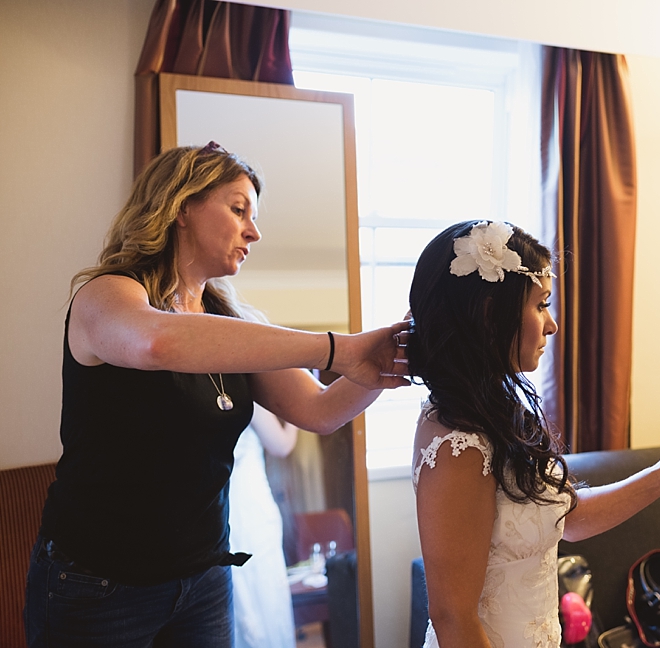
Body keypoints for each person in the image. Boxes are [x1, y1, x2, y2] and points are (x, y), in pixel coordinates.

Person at [24, 141, 409, 648]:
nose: (254, 231)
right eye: (237, 209)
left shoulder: (233, 322)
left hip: (204, 578)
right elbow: (158, 341)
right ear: (182, 207)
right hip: (98, 584)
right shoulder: (108, 295)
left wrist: (389, 362)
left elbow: (318, 410)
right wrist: (338, 349)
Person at [407, 221, 660, 648]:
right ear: (488, 313)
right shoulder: (456, 444)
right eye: (540, 306)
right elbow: (452, 617)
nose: (551, 326)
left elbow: (566, 517)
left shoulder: (498, 410)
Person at [228, 404, 298, 648]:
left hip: (217, 510)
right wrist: (295, 411)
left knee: (237, 601)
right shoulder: (245, 390)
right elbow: (282, 444)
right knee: (265, 599)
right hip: (251, 509)